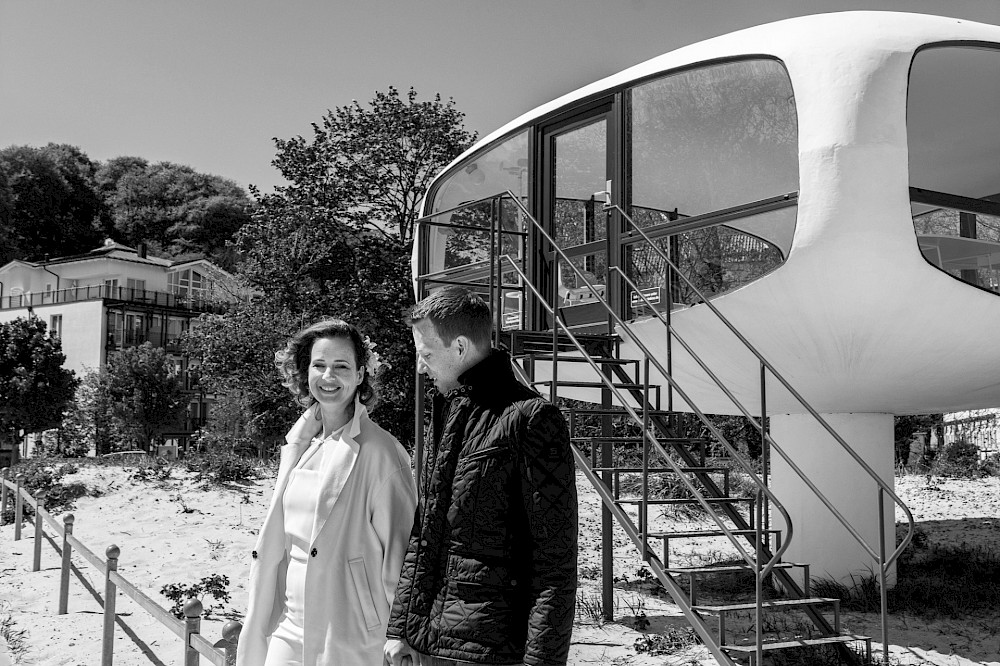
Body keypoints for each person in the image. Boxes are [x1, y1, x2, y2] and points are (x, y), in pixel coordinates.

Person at [385, 287, 578, 666]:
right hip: (431, 643)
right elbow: (427, 534)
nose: (421, 367)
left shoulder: (531, 418)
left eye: (426, 355)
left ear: (459, 348)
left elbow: (554, 561)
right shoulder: (447, 410)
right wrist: (401, 629)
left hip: (492, 652)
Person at [237, 319, 417, 666]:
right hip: (287, 624)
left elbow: (402, 552)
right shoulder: (300, 443)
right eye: (319, 365)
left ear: (362, 374)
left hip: (349, 630)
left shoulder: (382, 452)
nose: (328, 376)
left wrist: (401, 633)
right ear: (305, 372)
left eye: (341, 366)